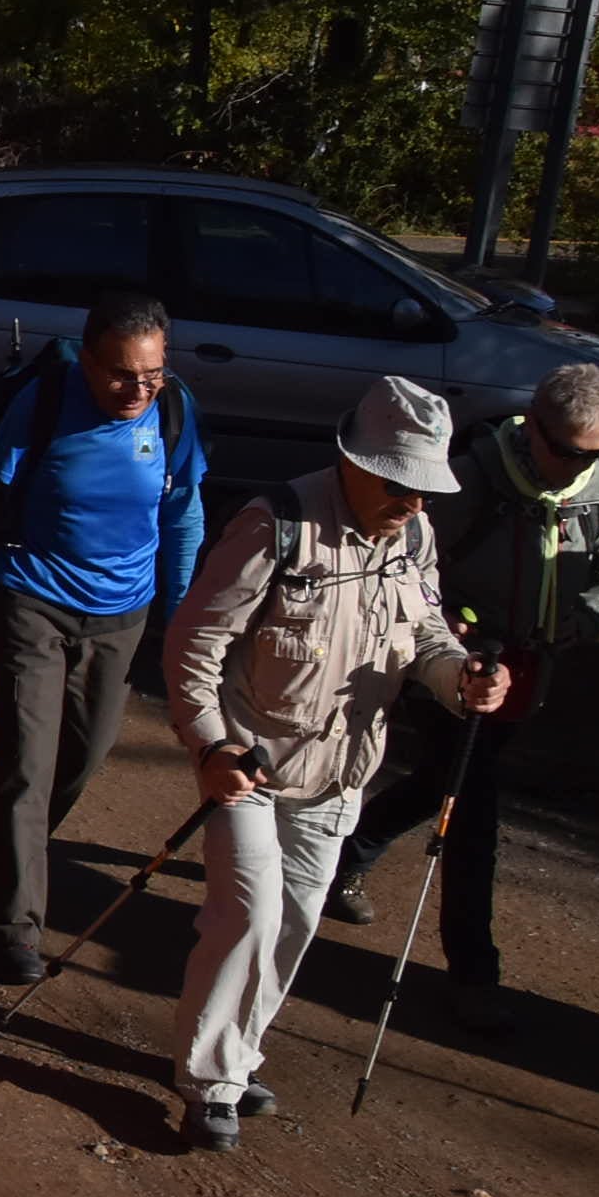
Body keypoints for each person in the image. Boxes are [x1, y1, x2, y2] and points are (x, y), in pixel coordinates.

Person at [164, 377, 508, 1151]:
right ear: (354, 460)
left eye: (426, 487)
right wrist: (211, 743)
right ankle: (210, 1082)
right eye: (401, 483)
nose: (416, 502)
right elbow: (194, 644)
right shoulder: (274, 524)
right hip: (249, 765)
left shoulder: (414, 540)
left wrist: (464, 681)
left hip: (343, 775)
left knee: (294, 924)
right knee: (248, 917)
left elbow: (427, 638)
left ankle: (237, 1057)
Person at [325, 363, 599, 1031]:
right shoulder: (475, 476)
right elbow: (408, 551)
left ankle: (349, 855)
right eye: (563, 448)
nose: (573, 465)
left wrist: (585, 618)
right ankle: (475, 972)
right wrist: (445, 624)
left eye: (593, 452)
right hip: (451, 664)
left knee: (447, 780)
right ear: (533, 425)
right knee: (472, 814)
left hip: (528, 671)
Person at [0, 288, 208, 985]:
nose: (137, 389)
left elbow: (182, 516)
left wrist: (181, 620)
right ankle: (14, 927)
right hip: (34, 601)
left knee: (81, 758)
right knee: (25, 762)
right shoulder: (43, 407)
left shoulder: (174, 410)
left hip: (125, 615)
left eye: (151, 373)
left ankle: (6, 849)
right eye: (120, 373)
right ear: (87, 361)